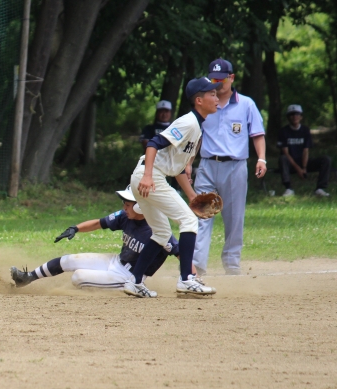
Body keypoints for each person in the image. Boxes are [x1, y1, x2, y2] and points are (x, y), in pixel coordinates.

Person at [123, 77, 221, 298]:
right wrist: (148, 176)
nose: (217, 98)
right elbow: (153, 143)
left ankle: (135, 282)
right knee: (188, 221)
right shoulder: (188, 123)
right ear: (199, 100)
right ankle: (187, 279)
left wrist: (192, 196)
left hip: (146, 176)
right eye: (212, 94)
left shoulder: (197, 127)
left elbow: (177, 168)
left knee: (161, 233)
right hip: (149, 177)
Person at [10, 186, 184, 290]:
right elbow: (98, 223)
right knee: (69, 260)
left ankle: (126, 289)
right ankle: (27, 277)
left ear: (141, 206)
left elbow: (181, 253)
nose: (124, 207)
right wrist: (75, 228)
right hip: (116, 261)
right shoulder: (125, 216)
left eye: (128, 204)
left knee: (78, 277)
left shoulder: (159, 230)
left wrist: (189, 278)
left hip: (128, 277)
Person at [192, 58, 267, 276]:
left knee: (234, 217)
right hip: (207, 165)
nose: (217, 83)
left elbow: (257, 134)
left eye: (221, 79)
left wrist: (261, 158)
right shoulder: (205, 103)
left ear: (231, 78)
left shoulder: (246, 104)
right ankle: (197, 266)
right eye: (213, 80)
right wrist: (188, 163)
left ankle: (232, 264)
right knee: (201, 214)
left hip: (235, 166)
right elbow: (196, 136)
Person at [277, 104, 330, 197]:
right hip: (290, 163)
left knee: (326, 159)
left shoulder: (305, 130)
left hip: (304, 161)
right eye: (292, 114)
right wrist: (298, 169)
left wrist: (304, 168)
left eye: (297, 114)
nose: (294, 117)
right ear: (288, 117)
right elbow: (285, 152)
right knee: (283, 158)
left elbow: (306, 150)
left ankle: (320, 188)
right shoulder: (283, 131)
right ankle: (288, 188)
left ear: (301, 116)